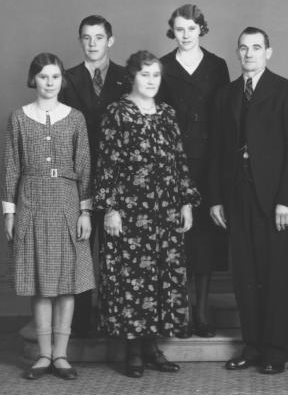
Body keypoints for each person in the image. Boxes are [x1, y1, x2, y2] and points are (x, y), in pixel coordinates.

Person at [95, 50, 200, 378]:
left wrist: (185, 201)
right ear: (132, 77)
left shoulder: (167, 113)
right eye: (145, 75)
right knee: (131, 280)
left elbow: (179, 159)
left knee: (159, 279)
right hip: (130, 211)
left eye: (156, 75)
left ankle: (152, 347)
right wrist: (110, 209)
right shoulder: (117, 112)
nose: (152, 81)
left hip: (164, 211)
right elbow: (107, 163)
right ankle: (133, 351)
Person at [208, 27, 288, 375]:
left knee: (274, 277)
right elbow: (218, 152)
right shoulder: (227, 94)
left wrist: (287, 200)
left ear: (269, 51)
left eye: (256, 47)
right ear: (237, 52)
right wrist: (216, 200)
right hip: (237, 197)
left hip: (274, 201)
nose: (249, 54)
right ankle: (251, 347)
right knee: (244, 277)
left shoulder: (287, 91)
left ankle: (275, 351)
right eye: (244, 48)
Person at [1, 52, 94, 380]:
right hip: (32, 201)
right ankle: (43, 355)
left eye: (55, 77)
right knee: (41, 284)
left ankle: (61, 355)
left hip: (67, 203)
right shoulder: (19, 117)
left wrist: (85, 210)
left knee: (66, 283)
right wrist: (9, 213)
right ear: (34, 80)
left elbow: (84, 165)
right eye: (43, 77)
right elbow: (12, 164)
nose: (50, 83)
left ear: (62, 81)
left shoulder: (76, 117)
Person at [158, 4, 230, 338]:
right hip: (173, 163)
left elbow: (227, 117)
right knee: (178, 240)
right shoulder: (162, 66)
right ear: (173, 31)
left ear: (201, 28)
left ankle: (202, 311)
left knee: (205, 241)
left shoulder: (217, 66)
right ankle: (181, 311)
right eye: (180, 29)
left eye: (191, 28)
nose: (186, 35)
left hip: (210, 163)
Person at [59, 14, 130, 337]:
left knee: (117, 251)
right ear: (80, 41)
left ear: (110, 40)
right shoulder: (67, 78)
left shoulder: (126, 77)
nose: (92, 43)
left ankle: (115, 321)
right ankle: (83, 324)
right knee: (82, 249)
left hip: (118, 177)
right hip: (79, 176)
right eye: (86, 37)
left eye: (98, 37)